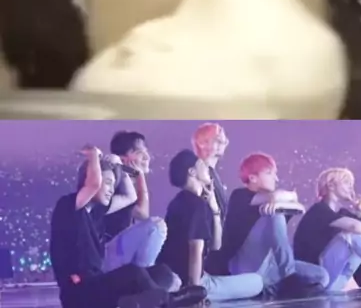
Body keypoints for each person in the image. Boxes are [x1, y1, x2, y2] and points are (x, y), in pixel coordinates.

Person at [49, 145, 205, 308]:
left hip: (98, 286)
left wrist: (121, 168)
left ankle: (137, 303)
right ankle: (168, 302)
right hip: (79, 294)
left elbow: (130, 197)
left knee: (162, 273)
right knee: (133, 273)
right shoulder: (68, 206)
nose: (111, 190)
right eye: (107, 183)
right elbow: (93, 184)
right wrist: (94, 156)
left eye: (113, 185)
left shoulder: (96, 212)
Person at [159, 149, 263, 301]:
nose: (207, 168)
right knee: (257, 282)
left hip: (176, 277)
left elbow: (215, 245)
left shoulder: (178, 202)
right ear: (192, 172)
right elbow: (195, 250)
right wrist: (194, 293)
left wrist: (214, 208)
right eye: (202, 164)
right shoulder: (196, 205)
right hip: (193, 282)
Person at [222, 152, 328, 297]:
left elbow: (299, 207)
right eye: (269, 173)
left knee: (321, 276)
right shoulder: (239, 195)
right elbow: (275, 196)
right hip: (244, 266)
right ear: (253, 178)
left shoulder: (276, 201)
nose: (276, 178)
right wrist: (280, 200)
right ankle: (288, 276)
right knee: (275, 215)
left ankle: (276, 286)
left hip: (269, 265)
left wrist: (286, 199)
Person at [103, 130, 179, 291]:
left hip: (120, 254)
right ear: (123, 159)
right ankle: (143, 288)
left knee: (175, 282)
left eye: (146, 152)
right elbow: (143, 215)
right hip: (109, 255)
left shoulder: (128, 183)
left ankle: (143, 284)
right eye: (139, 153)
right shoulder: (115, 182)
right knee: (156, 226)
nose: (147, 157)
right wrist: (139, 177)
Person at [192, 124, 229, 223]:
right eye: (218, 140)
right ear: (201, 143)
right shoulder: (200, 172)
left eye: (224, 141)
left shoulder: (212, 173)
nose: (224, 143)